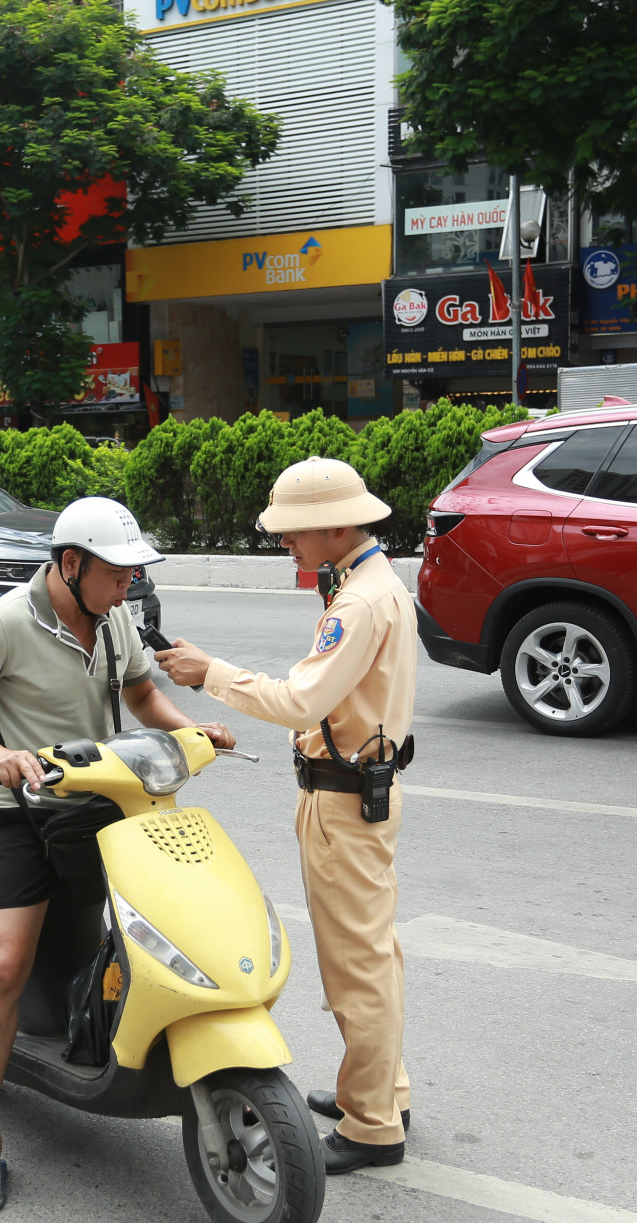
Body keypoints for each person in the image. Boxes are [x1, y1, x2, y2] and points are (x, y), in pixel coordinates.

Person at [0, 497, 235, 1214]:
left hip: (103, 797)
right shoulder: (5, 623)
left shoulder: (114, 618)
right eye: (118, 571)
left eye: (134, 572)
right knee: (5, 965)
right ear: (72, 564)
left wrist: (197, 730)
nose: (130, 582)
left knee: (159, 921)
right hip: (20, 811)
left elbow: (141, 695)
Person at [154, 457, 417, 1175]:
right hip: (362, 787)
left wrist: (209, 672)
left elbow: (301, 703)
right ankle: (381, 1090)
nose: (286, 544)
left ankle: (372, 1126)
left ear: (336, 523)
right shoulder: (371, 583)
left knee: (356, 967)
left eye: (294, 531)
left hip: (342, 797)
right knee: (376, 955)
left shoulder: (359, 602)